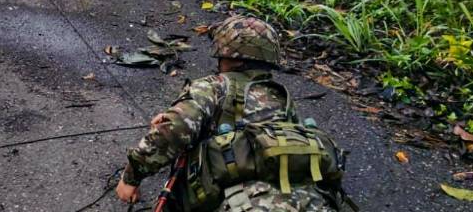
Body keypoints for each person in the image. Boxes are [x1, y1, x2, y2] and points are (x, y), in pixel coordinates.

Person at [116, 15, 346, 211]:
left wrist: (131, 177)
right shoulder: (282, 97)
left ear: (226, 55)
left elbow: (171, 133)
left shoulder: (212, 86)